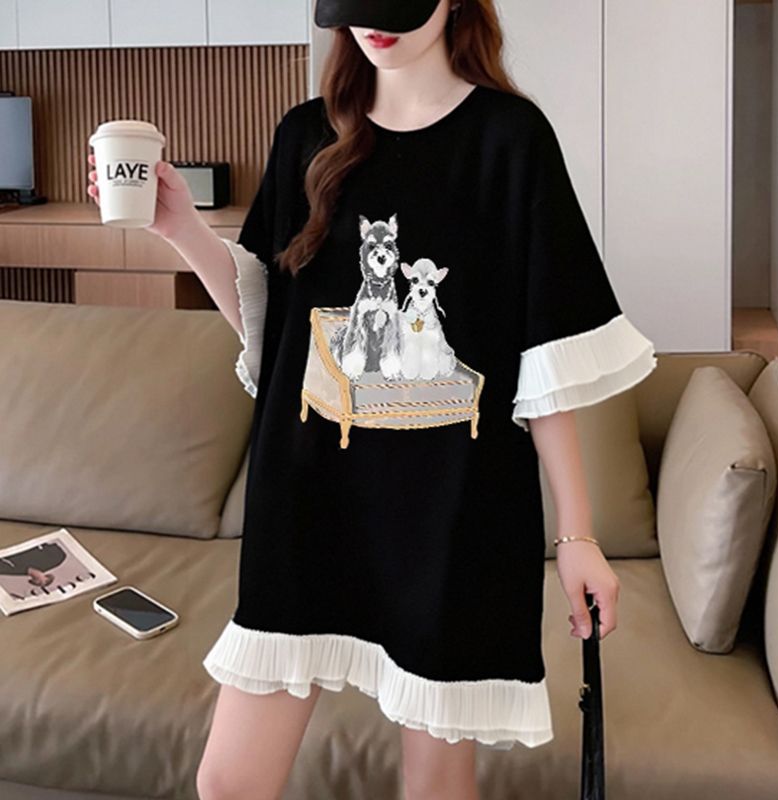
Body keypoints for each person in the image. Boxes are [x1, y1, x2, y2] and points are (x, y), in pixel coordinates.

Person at [87, 1, 656, 797]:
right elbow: (276, 331)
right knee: (229, 782)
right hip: (310, 498)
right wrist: (180, 229)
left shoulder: (509, 140)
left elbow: (545, 358)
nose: (373, 24)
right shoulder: (306, 136)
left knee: (434, 787)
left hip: (453, 511)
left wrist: (578, 536)